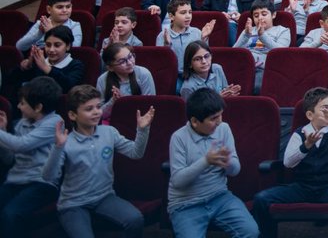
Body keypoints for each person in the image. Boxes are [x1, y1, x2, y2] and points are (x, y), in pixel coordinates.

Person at [43, 84, 154, 238]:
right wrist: (58, 148)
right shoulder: (65, 142)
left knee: (135, 219)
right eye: (89, 109)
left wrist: (142, 130)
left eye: (98, 107)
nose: (96, 112)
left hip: (105, 197)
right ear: (73, 115)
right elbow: (49, 178)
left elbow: (136, 153)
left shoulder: (109, 132)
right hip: (73, 204)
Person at [252, 87, 328, 238]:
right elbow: (288, 163)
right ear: (310, 115)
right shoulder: (300, 133)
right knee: (261, 199)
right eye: (325, 108)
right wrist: (306, 146)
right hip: (302, 186)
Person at [167, 88, 259, 238]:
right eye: (213, 118)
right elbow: (177, 181)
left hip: (219, 197)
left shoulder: (223, 129)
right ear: (195, 122)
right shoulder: (178, 138)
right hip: (186, 204)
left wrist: (227, 162)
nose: (219, 121)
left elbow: (235, 170)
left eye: (220, 115)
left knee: (250, 231)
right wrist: (206, 161)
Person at [0, 77, 63, 232]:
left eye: (22, 103)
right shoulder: (23, 123)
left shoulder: (54, 123)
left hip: (42, 183)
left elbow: (22, 145)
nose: (18, 107)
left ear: (38, 107)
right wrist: (2, 131)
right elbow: (10, 159)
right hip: (16, 180)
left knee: (11, 214)